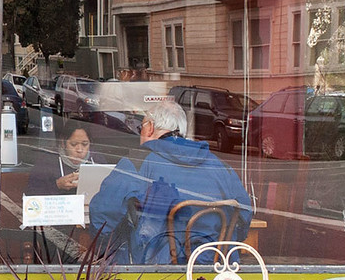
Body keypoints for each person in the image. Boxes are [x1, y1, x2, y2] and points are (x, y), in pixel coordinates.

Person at [87, 99, 252, 264]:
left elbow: (102, 217)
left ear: (150, 128)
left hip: (154, 272)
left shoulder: (137, 162)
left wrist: (110, 249)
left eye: (140, 128)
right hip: (213, 268)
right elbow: (244, 214)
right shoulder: (219, 166)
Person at [24, 126, 94, 263]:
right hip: (56, 227)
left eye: (85, 144)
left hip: (89, 225)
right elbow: (31, 200)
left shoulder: (96, 160)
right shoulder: (47, 163)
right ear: (63, 142)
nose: (79, 150)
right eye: (73, 144)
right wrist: (56, 185)